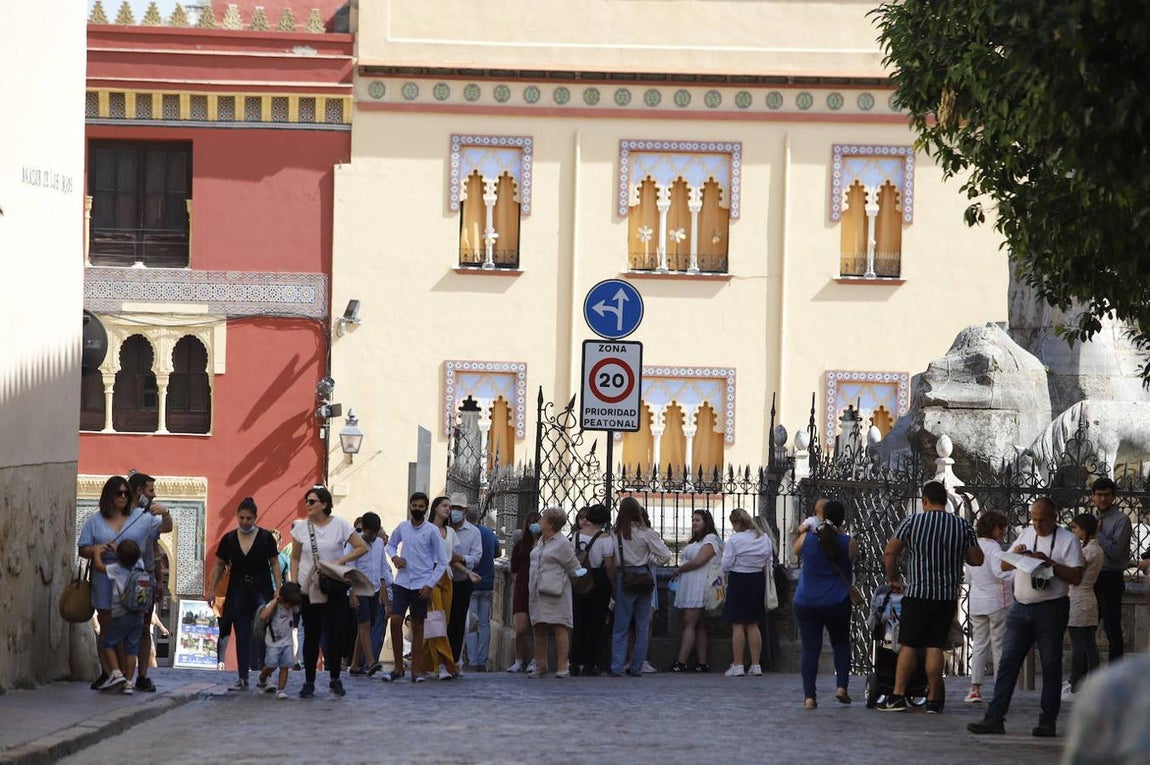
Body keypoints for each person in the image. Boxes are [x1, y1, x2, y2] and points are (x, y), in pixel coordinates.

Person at [968, 497, 1085, 738]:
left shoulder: (1068, 540)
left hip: (1051, 608)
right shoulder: (1026, 533)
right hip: (1021, 607)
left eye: (1042, 520)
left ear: (1054, 518)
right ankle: (995, 717)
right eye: (1034, 519)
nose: (1037, 525)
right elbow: (1003, 566)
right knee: (1008, 662)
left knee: (1051, 664)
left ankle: (1047, 721)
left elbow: (1076, 577)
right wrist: (1018, 555)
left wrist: (1049, 563)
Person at [880, 481, 982, 713]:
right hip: (946, 595)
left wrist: (893, 578)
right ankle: (934, 700)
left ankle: (898, 695)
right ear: (945, 501)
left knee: (909, 644)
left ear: (924, 500)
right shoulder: (961, 525)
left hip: (918, 593)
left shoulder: (913, 522)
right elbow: (977, 559)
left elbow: (890, 551)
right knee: (935, 645)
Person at [78, 476, 164, 691]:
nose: (124, 497)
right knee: (106, 625)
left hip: (133, 583)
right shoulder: (95, 520)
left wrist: (166, 512)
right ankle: (109, 673)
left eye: (126, 493)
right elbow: (83, 548)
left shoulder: (141, 517)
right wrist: (97, 550)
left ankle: (127, 676)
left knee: (133, 630)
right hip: (104, 581)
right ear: (109, 496)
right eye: (119, 493)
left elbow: (163, 531)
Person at [289, 486, 368, 699]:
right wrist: (294, 583)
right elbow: (295, 557)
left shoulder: (340, 525)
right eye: (307, 501)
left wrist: (341, 561)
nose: (308, 505)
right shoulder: (300, 528)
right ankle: (309, 681)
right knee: (311, 634)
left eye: (312, 501)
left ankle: (335, 678)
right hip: (309, 587)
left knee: (335, 633)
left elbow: (361, 546)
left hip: (333, 584)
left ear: (324, 504)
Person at [206, 497, 281, 691]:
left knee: (263, 631)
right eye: (242, 518)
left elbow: (274, 563)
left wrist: (278, 588)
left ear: (255, 518)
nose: (245, 522)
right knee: (241, 631)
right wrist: (212, 590)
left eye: (249, 518)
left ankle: (265, 677)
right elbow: (219, 565)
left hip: (261, 587)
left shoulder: (265, 538)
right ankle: (242, 677)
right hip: (238, 588)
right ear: (237, 516)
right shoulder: (229, 539)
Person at [791, 500, 856, 707]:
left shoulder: (807, 539)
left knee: (810, 649)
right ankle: (841, 687)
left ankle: (809, 697)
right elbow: (852, 559)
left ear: (822, 516)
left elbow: (795, 550)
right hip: (837, 600)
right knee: (841, 644)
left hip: (806, 600)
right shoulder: (848, 542)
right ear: (842, 519)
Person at [383, 492, 450, 683]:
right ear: (410, 506)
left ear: (426, 509)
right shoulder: (403, 527)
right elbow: (390, 545)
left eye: (421, 506)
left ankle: (416, 670)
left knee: (418, 626)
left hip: (422, 583)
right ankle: (398, 668)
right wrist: (394, 557)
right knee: (395, 620)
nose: (417, 509)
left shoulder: (432, 531)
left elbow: (442, 561)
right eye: (415, 506)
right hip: (402, 582)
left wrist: (430, 584)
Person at [611, 497, 671, 677]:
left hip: (625, 576)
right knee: (642, 626)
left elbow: (612, 558)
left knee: (621, 626)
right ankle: (637, 666)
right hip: (643, 576)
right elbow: (665, 556)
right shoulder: (646, 533)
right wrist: (649, 561)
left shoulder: (616, 533)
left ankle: (617, 666)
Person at [525, 507, 588, 678]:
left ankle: (562, 666)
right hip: (537, 590)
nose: (539, 521)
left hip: (556, 591)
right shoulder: (541, 540)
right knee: (539, 627)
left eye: (543, 519)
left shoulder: (562, 543)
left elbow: (575, 567)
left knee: (559, 626)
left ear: (551, 524)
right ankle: (541, 665)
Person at [125, 472, 173, 693]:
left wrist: (159, 579)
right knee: (120, 626)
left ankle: (142, 675)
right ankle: (119, 674)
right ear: (139, 491)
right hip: (121, 579)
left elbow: (157, 545)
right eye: (150, 490)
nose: (153, 495)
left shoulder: (149, 518)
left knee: (144, 627)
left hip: (143, 582)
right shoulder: (118, 516)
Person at [421, 496, 478, 680]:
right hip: (431, 577)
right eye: (445, 506)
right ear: (435, 508)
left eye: (450, 506)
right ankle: (442, 664)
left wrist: (467, 572)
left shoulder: (451, 533)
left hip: (447, 577)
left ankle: (425, 662)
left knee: (443, 623)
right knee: (435, 620)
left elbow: (451, 558)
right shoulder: (426, 529)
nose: (448, 509)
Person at [964, 510, 1014, 704]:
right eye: (1000, 527)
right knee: (999, 646)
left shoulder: (972, 546)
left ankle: (975, 688)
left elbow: (968, 577)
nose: (1003, 531)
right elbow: (999, 572)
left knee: (979, 645)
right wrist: (1016, 570)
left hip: (977, 601)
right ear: (992, 528)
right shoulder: (994, 548)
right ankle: (1000, 689)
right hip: (997, 601)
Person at [89, 539, 150, 693]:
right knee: (131, 650)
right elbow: (130, 558)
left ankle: (116, 673)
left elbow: (99, 567)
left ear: (119, 557)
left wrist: (96, 553)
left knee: (108, 643)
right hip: (138, 615)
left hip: (121, 614)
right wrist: (119, 551)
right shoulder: (140, 565)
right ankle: (129, 683)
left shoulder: (116, 568)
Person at [721, 507, 774, 678]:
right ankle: (756, 665)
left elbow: (726, 564)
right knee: (753, 624)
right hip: (757, 579)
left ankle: (738, 664)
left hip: (739, 579)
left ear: (737, 522)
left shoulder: (735, 540)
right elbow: (769, 560)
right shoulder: (764, 538)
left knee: (737, 624)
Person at [669, 509, 721, 673]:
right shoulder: (696, 541)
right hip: (691, 584)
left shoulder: (710, 539)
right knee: (699, 625)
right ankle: (702, 662)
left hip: (699, 585)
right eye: (693, 520)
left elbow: (699, 561)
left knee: (689, 623)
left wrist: (679, 569)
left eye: (698, 520)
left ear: (706, 522)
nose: (694, 523)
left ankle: (681, 661)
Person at [570, 504, 615, 676]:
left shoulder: (576, 536)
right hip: (598, 580)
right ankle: (591, 662)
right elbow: (609, 566)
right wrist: (613, 584)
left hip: (579, 577)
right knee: (596, 623)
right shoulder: (605, 539)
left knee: (578, 621)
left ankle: (575, 661)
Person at [1090, 477, 1131, 661]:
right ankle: (1087, 671)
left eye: (1107, 495)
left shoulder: (1121, 520)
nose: (1103, 499)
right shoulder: (1090, 519)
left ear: (1113, 497)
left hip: (1110, 577)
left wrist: (1096, 533)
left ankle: (1116, 671)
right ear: (1092, 496)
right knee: (1087, 628)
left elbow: (1115, 552)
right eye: (1099, 495)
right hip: (1090, 577)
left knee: (1112, 628)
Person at [347, 512, 393, 675]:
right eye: (369, 533)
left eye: (374, 533)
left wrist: (386, 589)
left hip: (374, 590)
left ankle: (354, 664)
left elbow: (382, 567)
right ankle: (371, 661)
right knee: (365, 625)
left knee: (365, 626)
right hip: (359, 589)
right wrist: (351, 593)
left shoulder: (379, 543)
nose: (372, 537)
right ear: (364, 529)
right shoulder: (354, 543)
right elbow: (349, 568)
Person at [1064, 513, 1103, 700]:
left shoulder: (1088, 551)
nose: (1073, 531)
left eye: (1075, 528)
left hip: (1079, 600)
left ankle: (1076, 685)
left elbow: (1075, 572)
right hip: (1087, 599)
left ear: (1084, 530)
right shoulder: (1095, 549)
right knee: (1088, 644)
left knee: (1079, 646)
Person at [463, 504, 501, 672]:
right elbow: (497, 553)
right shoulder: (488, 533)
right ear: (479, 517)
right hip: (487, 582)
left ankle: (472, 660)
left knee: (472, 624)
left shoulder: (467, 534)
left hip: (470, 583)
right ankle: (482, 659)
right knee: (484, 623)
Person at [448, 493, 482, 669]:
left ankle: (455, 660)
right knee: (442, 621)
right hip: (444, 580)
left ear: (465, 510)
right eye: (452, 507)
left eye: (458, 508)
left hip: (462, 581)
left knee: (460, 622)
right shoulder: (443, 529)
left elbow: (476, 557)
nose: (455, 511)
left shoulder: (473, 532)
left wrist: (459, 558)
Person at [506, 510, 542, 673]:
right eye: (531, 522)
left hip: (540, 588)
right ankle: (518, 660)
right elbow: (514, 569)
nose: (534, 525)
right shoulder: (520, 545)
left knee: (538, 628)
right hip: (522, 588)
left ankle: (536, 659)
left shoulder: (545, 543)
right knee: (520, 629)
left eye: (537, 521)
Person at [255, 581, 303, 699]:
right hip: (273, 643)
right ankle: (262, 676)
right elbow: (263, 616)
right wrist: (275, 602)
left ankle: (280, 690)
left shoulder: (292, 606)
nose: (290, 607)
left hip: (287, 642)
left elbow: (298, 607)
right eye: (288, 604)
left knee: (285, 666)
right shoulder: (274, 606)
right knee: (271, 665)